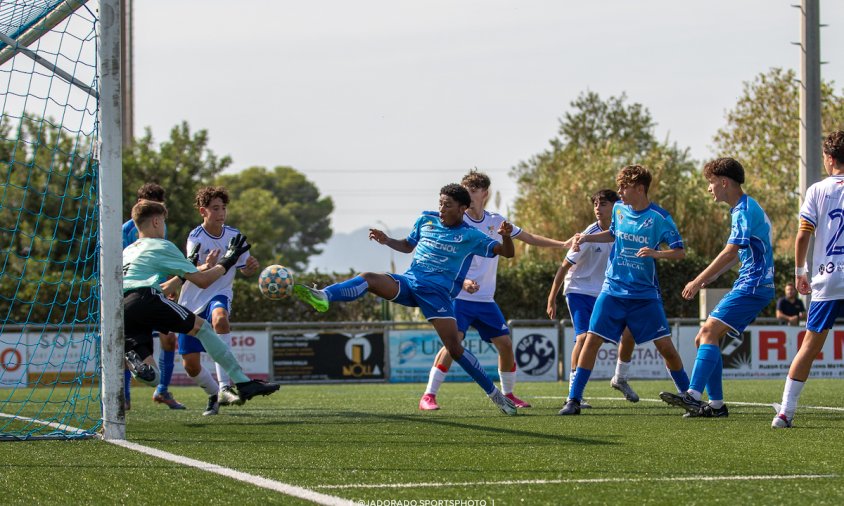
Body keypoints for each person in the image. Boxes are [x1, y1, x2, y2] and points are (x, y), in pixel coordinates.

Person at [293, 183, 519, 415]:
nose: (441, 208)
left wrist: (507, 237)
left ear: (462, 208)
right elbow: (407, 245)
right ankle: (324, 295)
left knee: (454, 349)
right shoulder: (426, 220)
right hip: (410, 283)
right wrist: (387, 240)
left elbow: (507, 252)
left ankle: (496, 396)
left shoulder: (471, 236)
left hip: (437, 295)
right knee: (369, 278)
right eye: (440, 203)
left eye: (447, 205)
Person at [418, 170, 569, 411]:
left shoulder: (496, 221)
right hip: (459, 296)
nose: (469, 192)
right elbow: (446, 256)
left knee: (506, 345)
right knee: (453, 343)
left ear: (485, 193)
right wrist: (464, 281)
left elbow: (528, 237)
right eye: (466, 189)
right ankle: (429, 396)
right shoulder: (457, 222)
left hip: (485, 299)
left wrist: (562, 244)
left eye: (474, 189)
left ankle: (509, 394)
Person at [559, 165, 690, 416]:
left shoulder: (660, 217)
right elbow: (613, 234)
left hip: (644, 296)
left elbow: (680, 252)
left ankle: (689, 396)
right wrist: (587, 238)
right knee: (591, 339)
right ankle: (573, 400)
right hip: (613, 290)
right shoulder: (619, 209)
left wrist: (656, 253)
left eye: (624, 187)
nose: (619, 192)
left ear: (640, 189)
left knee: (666, 348)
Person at [122, 199, 279, 406]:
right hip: (145, 298)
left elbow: (165, 286)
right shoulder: (162, 245)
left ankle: (135, 363)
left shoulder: (128, 251)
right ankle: (242, 382)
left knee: (154, 377)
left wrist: (199, 265)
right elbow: (202, 282)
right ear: (157, 222)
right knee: (204, 329)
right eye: (164, 222)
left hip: (122, 308)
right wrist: (228, 260)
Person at [660, 157, 774, 418]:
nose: (709, 188)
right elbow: (736, 256)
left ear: (724, 182)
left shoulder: (744, 210)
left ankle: (692, 395)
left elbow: (730, 251)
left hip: (754, 284)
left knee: (709, 332)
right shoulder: (742, 209)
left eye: (711, 183)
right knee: (704, 337)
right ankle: (717, 405)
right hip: (752, 283)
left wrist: (698, 279)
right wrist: (711, 278)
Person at [773, 130, 844, 429]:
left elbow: (804, 234)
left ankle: (785, 413)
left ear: (829, 158)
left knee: (810, 346)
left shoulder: (817, 189)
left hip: (828, 279)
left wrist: (800, 273)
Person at [547, 189, 640, 405]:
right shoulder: (588, 235)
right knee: (583, 339)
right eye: (596, 204)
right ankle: (573, 395)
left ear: (617, 206)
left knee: (630, 332)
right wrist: (551, 299)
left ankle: (620, 378)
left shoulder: (624, 231)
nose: (598, 208)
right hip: (579, 291)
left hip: (606, 293)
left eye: (603, 203)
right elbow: (563, 268)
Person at [177, 187, 261, 416]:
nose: (221, 212)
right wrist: (206, 265)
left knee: (220, 319)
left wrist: (251, 268)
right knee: (190, 365)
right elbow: (188, 270)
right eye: (215, 208)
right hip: (192, 300)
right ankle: (214, 395)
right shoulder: (196, 237)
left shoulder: (234, 235)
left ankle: (226, 385)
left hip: (220, 294)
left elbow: (244, 269)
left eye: (223, 208)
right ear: (203, 211)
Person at [121, 183, 184, 410]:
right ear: (139, 205)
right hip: (134, 295)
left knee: (169, 340)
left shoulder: (160, 227)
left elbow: (161, 259)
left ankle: (162, 391)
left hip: (157, 291)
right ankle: (124, 396)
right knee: (127, 344)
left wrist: (170, 287)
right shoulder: (126, 230)